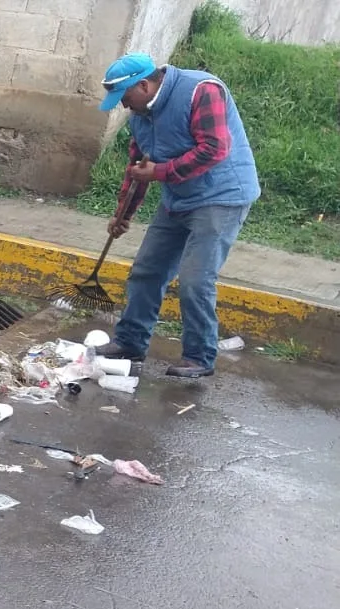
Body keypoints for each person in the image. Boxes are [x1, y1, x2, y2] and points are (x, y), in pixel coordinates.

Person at [92, 52, 260, 379]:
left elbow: (215, 148)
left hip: (220, 197)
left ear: (143, 85)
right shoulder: (142, 114)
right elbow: (139, 166)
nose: (124, 106)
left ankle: (199, 357)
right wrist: (123, 212)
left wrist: (161, 172)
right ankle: (130, 343)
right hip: (178, 197)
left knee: (195, 280)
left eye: (125, 98)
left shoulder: (200, 90)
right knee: (146, 271)